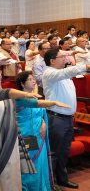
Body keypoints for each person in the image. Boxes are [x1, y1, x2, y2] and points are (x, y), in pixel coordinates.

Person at [0, 63, 41, 191]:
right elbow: (8, 92)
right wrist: (26, 94)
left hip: (11, 136)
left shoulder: (5, 93)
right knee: (0, 170)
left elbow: (12, 111)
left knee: (12, 168)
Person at [43, 49, 90, 189]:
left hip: (68, 118)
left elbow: (70, 72)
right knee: (54, 153)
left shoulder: (63, 74)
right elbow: (66, 72)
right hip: (56, 118)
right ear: (52, 60)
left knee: (64, 151)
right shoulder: (50, 73)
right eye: (62, 57)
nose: (65, 59)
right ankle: (52, 183)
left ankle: (62, 179)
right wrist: (85, 66)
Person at [15, 71, 70, 191]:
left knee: (41, 164)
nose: (34, 81)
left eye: (33, 78)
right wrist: (54, 102)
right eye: (30, 79)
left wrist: (43, 122)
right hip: (26, 136)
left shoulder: (35, 96)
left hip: (40, 136)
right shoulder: (19, 99)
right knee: (29, 166)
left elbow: (40, 113)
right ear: (22, 83)